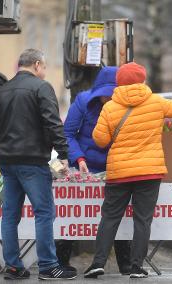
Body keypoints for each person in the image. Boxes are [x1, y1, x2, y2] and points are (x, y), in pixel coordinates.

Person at [84, 62, 172, 279]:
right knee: (142, 219)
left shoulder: (109, 107)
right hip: (149, 171)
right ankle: (136, 267)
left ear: (119, 82)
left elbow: (100, 140)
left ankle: (98, 263)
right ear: (142, 80)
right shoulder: (156, 102)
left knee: (109, 218)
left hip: (119, 172)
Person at [0, 49, 77, 281]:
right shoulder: (41, 87)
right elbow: (52, 123)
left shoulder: (2, 90)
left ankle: (14, 266)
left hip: (7, 162)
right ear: (37, 65)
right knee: (44, 212)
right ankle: (48, 266)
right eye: (44, 68)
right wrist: (64, 153)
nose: (44, 72)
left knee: (9, 215)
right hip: (33, 160)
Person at [59, 66, 131, 275]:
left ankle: (125, 262)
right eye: (104, 95)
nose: (107, 99)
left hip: (115, 167)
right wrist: (78, 158)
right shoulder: (82, 101)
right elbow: (68, 134)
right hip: (83, 166)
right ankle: (62, 259)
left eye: (112, 94)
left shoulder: (126, 105)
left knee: (119, 213)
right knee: (72, 212)